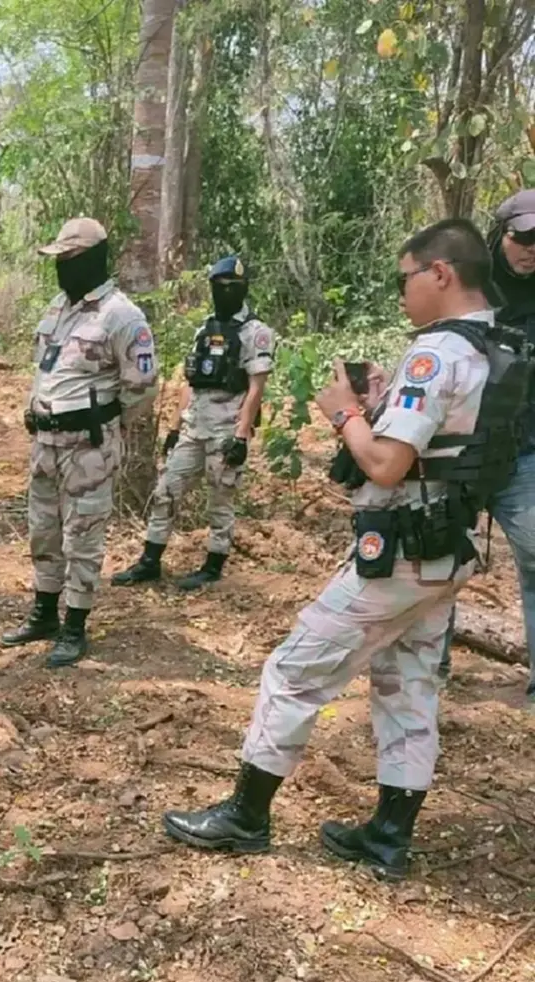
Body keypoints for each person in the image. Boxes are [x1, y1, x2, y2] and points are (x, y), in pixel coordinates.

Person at [161, 218, 511, 881]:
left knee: (294, 670)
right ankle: (387, 835)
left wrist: (346, 413)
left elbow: (383, 463)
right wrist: (382, 403)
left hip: (404, 552)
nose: (401, 293)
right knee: (407, 683)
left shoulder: (435, 353)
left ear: (440, 274)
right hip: (452, 546)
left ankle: (246, 816)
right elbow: (444, 447)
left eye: (404, 279)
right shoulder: (495, 344)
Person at [1, 217, 159, 667]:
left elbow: (143, 386)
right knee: (43, 530)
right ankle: (45, 613)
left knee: (83, 535)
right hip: (45, 441)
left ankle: (75, 626)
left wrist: (101, 420)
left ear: (92, 259)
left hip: (88, 443)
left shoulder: (122, 316)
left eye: (69, 260)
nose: (62, 269)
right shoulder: (57, 307)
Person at [113, 253, 275, 591]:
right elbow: (190, 382)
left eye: (232, 286)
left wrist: (242, 436)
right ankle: (149, 561)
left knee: (220, 499)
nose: (225, 291)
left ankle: (213, 567)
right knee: (165, 491)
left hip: (226, 428)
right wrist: (174, 427)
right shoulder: (205, 329)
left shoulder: (255, 332)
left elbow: (256, 388)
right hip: (194, 425)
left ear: (244, 289)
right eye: (219, 285)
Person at [438, 189, 535, 701]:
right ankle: (432, 667)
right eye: (524, 236)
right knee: (439, 557)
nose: (532, 249)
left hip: (523, 450)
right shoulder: (468, 284)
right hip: (458, 448)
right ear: (501, 234)